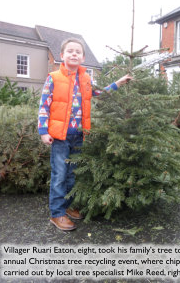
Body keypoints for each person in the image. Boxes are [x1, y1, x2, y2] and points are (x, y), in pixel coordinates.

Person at [38, 38, 133, 231]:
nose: (74, 54)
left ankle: (69, 206)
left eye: (77, 52)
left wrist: (118, 83)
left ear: (83, 57)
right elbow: (44, 105)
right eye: (70, 51)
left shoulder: (86, 79)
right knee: (59, 175)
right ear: (62, 56)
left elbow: (98, 93)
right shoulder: (53, 77)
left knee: (73, 175)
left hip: (78, 136)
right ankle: (57, 213)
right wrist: (43, 131)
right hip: (59, 137)